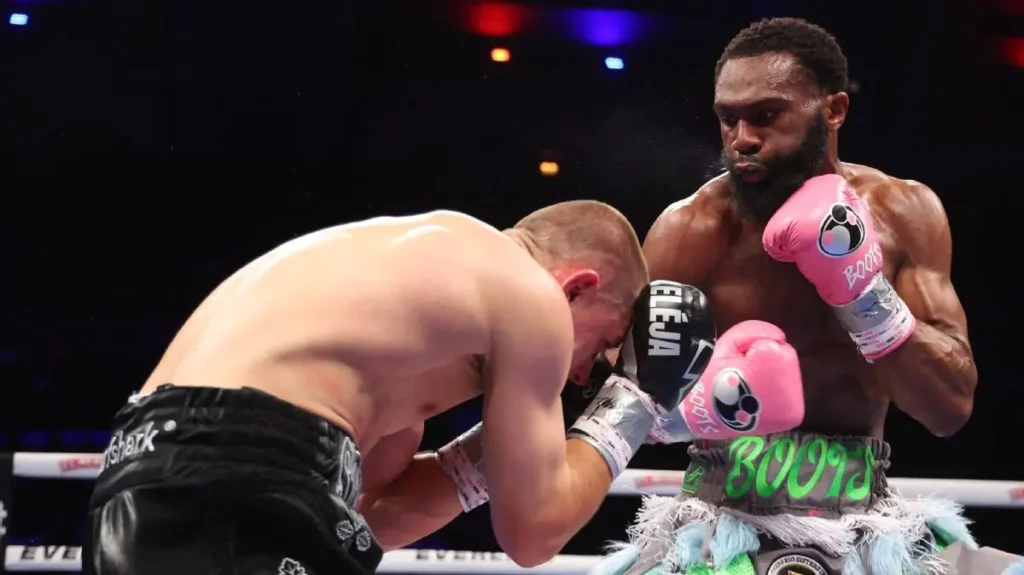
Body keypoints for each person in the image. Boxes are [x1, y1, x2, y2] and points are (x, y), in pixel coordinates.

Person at [87, 200, 741, 575]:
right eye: (601, 345)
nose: (580, 375)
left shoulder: (395, 311)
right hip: (241, 464)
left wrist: (505, 454)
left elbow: (371, 515)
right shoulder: (528, 293)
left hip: (146, 466)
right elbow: (533, 534)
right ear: (577, 286)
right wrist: (633, 401)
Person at [588, 17, 1024, 575]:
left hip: (865, 518)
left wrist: (862, 293)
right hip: (721, 517)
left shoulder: (904, 215)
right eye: (728, 119)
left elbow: (950, 408)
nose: (742, 139)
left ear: (834, 110)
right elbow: (616, 395)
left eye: (766, 115)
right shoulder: (691, 231)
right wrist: (696, 406)